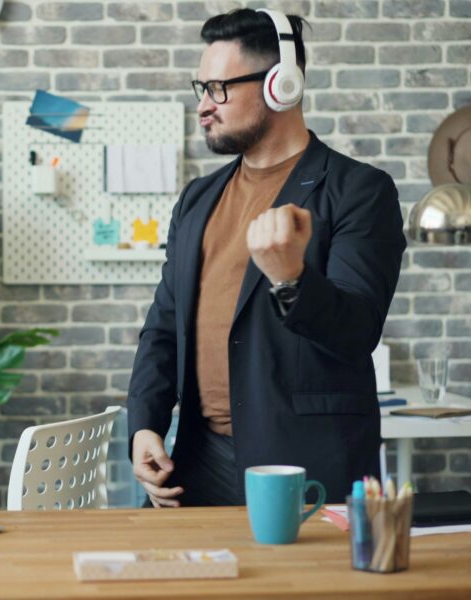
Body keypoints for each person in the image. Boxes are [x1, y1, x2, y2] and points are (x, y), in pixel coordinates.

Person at [127, 8, 406, 508]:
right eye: (202, 89)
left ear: (281, 85)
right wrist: (144, 425)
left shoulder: (359, 192)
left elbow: (358, 330)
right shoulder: (197, 199)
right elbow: (164, 325)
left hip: (302, 464)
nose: (203, 107)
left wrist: (291, 279)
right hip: (195, 462)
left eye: (219, 89)